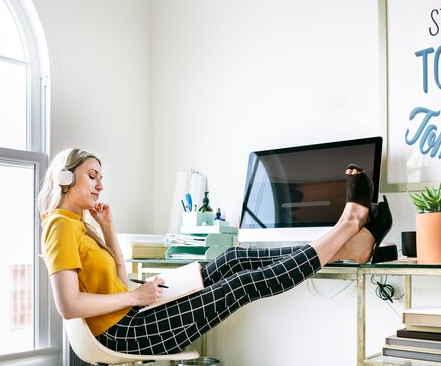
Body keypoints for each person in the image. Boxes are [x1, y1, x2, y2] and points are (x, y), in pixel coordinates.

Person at [38, 148, 393, 355]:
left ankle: (349, 243)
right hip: (121, 332)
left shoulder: (78, 224)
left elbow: (115, 278)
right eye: (92, 176)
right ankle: (347, 230)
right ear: (66, 180)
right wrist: (134, 296)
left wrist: (108, 230)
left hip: (132, 313)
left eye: (101, 177)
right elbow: (68, 306)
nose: (101, 185)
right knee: (239, 285)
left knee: (235, 258)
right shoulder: (59, 224)